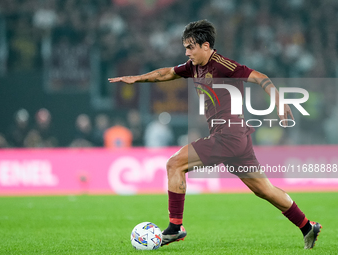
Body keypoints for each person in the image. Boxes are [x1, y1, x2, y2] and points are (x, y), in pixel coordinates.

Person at [108, 20, 321, 249]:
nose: (187, 52)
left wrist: (279, 101)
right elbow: (166, 74)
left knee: (174, 164)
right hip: (237, 138)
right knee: (265, 190)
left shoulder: (223, 65)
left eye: (190, 47)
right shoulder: (193, 66)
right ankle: (307, 226)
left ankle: (175, 227)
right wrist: (137, 78)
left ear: (206, 46)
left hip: (228, 135)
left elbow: (260, 77)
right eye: (185, 47)